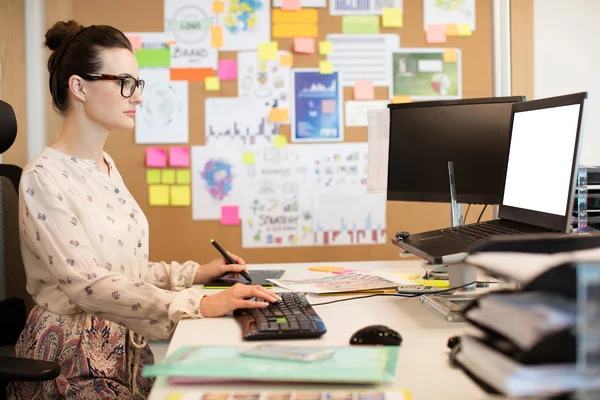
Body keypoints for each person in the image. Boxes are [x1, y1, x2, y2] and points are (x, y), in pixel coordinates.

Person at [8, 20, 279, 400]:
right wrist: (198, 302)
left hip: (124, 347)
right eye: (125, 83)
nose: (137, 97)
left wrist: (197, 273)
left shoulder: (105, 165)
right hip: (70, 360)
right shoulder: (43, 177)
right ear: (79, 86)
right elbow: (88, 283)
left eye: (137, 84)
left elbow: (121, 268)